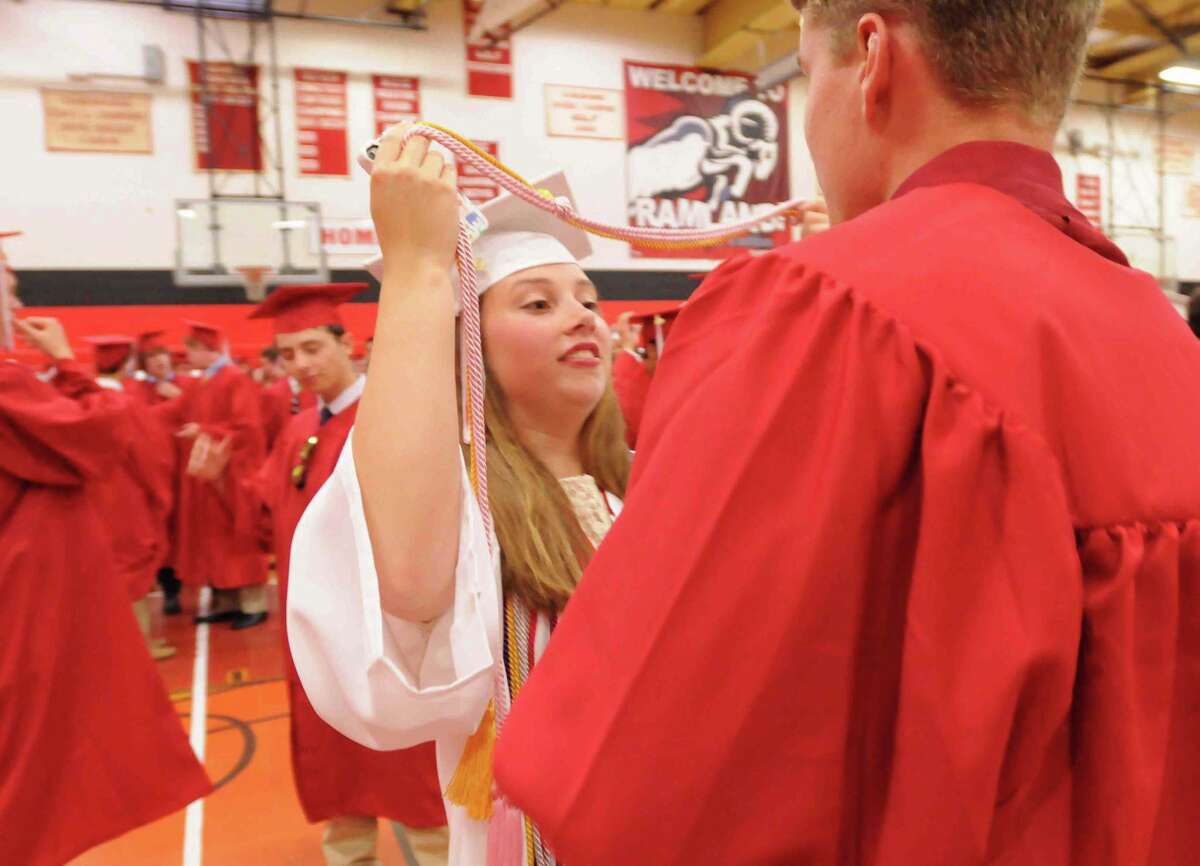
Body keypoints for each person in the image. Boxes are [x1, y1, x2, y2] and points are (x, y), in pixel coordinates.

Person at [492, 3, 1200, 865]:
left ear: (872, 59)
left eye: (802, 73)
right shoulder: (1169, 342)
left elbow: (652, 785)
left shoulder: (823, 315)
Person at [286, 158, 631, 866]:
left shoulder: (632, 495)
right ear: (467, 348)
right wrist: (417, 267)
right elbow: (409, 590)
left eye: (588, 300)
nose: (581, 318)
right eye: (538, 304)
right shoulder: (465, 514)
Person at [192, 284, 451, 866]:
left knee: (413, 780)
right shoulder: (298, 430)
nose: (301, 366)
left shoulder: (388, 421)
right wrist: (221, 482)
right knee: (338, 774)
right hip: (318, 638)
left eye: (312, 348)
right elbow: (268, 524)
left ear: (348, 343)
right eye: (287, 355)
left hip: (384, 635)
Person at [1, 316, 211, 866]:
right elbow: (100, 434)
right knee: (32, 779)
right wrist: (69, 364)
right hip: (27, 599)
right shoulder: (7, 383)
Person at [159, 321, 270, 629]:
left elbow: (248, 428)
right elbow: (175, 410)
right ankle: (226, 602)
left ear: (206, 350)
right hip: (209, 473)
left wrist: (204, 430)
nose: (187, 358)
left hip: (233, 474)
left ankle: (253, 604)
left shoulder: (235, 379)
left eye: (191, 350)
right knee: (214, 541)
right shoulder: (202, 382)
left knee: (239, 538)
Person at [85, 335, 178, 659]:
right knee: (133, 573)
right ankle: (140, 647)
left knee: (101, 574)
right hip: (123, 499)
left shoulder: (79, 397)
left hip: (87, 500)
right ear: (127, 365)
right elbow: (151, 456)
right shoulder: (124, 403)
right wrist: (160, 494)